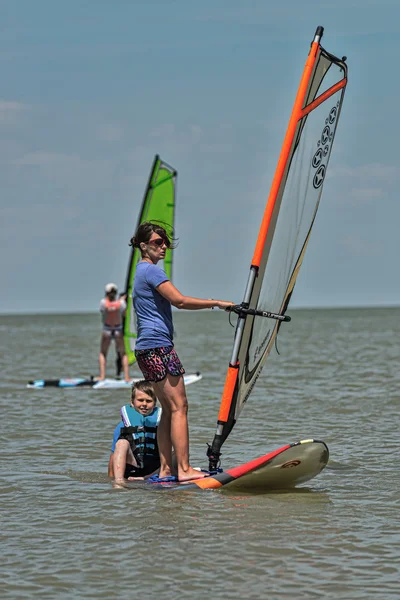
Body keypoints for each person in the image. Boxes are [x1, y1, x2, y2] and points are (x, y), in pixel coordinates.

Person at [130, 221, 234, 482]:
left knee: (168, 408)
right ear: (143, 246)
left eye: (165, 242)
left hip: (145, 348)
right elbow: (179, 300)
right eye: (157, 242)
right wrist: (218, 303)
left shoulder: (139, 272)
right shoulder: (151, 272)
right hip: (158, 347)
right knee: (180, 407)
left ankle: (167, 470)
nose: (163, 246)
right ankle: (185, 470)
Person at [108, 380, 162, 484]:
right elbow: (113, 458)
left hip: (155, 469)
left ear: (155, 403)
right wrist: (110, 479)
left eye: (149, 401)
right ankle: (118, 482)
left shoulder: (161, 424)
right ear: (132, 402)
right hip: (133, 466)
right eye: (140, 400)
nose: (144, 404)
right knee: (121, 443)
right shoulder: (122, 426)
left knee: (178, 452)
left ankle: (148, 477)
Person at [99, 283, 130, 382]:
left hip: (107, 329)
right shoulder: (121, 303)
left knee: (103, 353)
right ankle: (126, 377)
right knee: (123, 353)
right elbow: (124, 314)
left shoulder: (103, 302)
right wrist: (122, 300)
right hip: (118, 329)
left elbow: (103, 311)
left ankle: (102, 376)